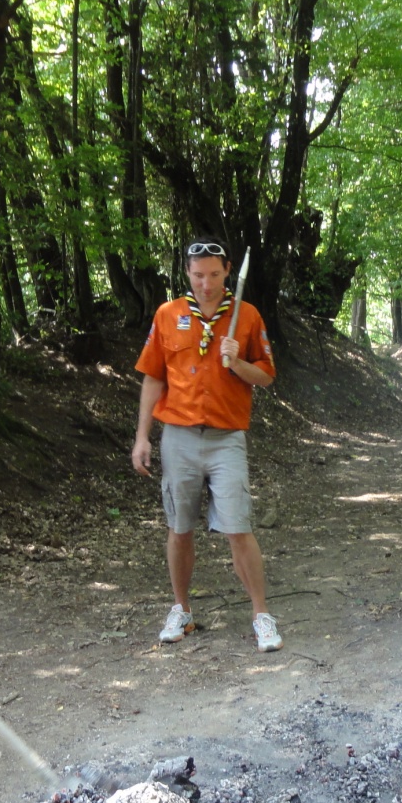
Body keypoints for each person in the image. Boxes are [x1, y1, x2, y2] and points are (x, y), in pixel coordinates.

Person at [131, 237, 283, 653]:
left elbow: (266, 377)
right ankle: (181, 610)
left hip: (225, 438)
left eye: (214, 275)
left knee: (239, 527)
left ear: (228, 271)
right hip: (178, 437)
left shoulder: (246, 316)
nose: (206, 284)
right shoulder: (168, 315)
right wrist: (142, 437)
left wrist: (238, 363)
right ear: (187, 273)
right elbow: (153, 377)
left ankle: (261, 615)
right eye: (198, 275)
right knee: (179, 528)